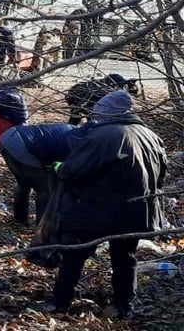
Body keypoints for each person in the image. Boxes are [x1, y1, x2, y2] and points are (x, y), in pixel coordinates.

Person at [41, 90, 167, 318]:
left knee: (74, 254)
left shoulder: (103, 136)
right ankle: (124, 305)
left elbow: (72, 171)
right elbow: (160, 176)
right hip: (137, 211)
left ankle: (60, 302)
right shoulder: (151, 135)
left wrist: (59, 167)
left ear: (105, 112)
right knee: (125, 258)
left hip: (97, 210)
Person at [0, 89, 72, 225]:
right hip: (19, 143)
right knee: (44, 189)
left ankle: (20, 219)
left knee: (24, 183)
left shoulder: (74, 133)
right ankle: (42, 229)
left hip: (11, 139)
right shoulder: (83, 142)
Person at [64, 73, 138, 125]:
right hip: (80, 95)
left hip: (79, 94)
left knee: (79, 116)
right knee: (90, 116)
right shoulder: (116, 90)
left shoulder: (115, 84)